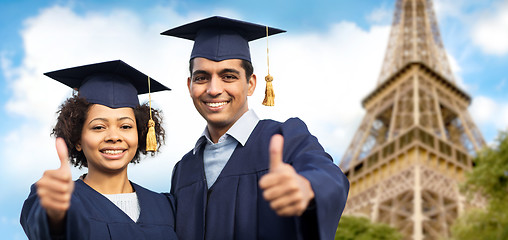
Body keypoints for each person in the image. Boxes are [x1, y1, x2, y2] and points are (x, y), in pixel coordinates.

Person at [161, 16, 350, 240]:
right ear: (189, 85)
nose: (213, 89)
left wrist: (307, 187)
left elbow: (328, 175)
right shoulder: (183, 169)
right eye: (202, 78)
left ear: (250, 84)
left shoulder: (285, 138)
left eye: (228, 76)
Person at [20, 60, 178, 240]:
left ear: (141, 133)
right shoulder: (62, 198)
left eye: (125, 126)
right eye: (98, 127)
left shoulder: (165, 206)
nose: (114, 136)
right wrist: (53, 215)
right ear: (77, 139)